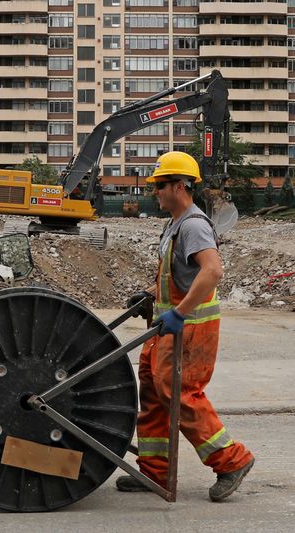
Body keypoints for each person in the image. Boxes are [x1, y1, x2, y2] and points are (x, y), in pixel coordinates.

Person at [116, 151, 254, 502]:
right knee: (152, 390)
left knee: (178, 392)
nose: (155, 192)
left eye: (160, 185)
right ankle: (155, 471)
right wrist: (149, 295)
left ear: (180, 186)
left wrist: (178, 312)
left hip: (189, 327)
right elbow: (179, 275)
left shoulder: (193, 224)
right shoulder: (175, 224)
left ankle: (231, 461)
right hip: (169, 327)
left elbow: (212, 271)